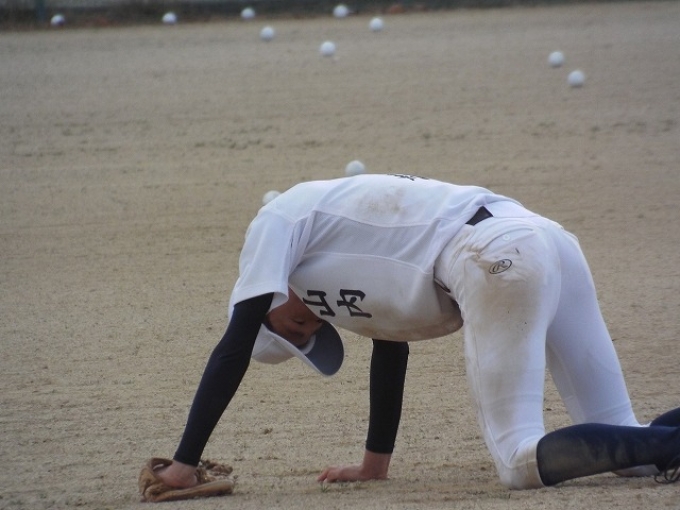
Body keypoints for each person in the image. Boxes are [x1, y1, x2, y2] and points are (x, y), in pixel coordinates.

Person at [151, 173, 680, 492]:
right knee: (631, 455)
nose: (312, 324)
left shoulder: (276, 223)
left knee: (519, 462)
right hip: (539, 238)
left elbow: (233, 347)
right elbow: (391, 345)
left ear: (265, 304)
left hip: (499, 251)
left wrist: (183, 464)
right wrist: (373, 466)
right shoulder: (336, 260)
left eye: (294, 327)